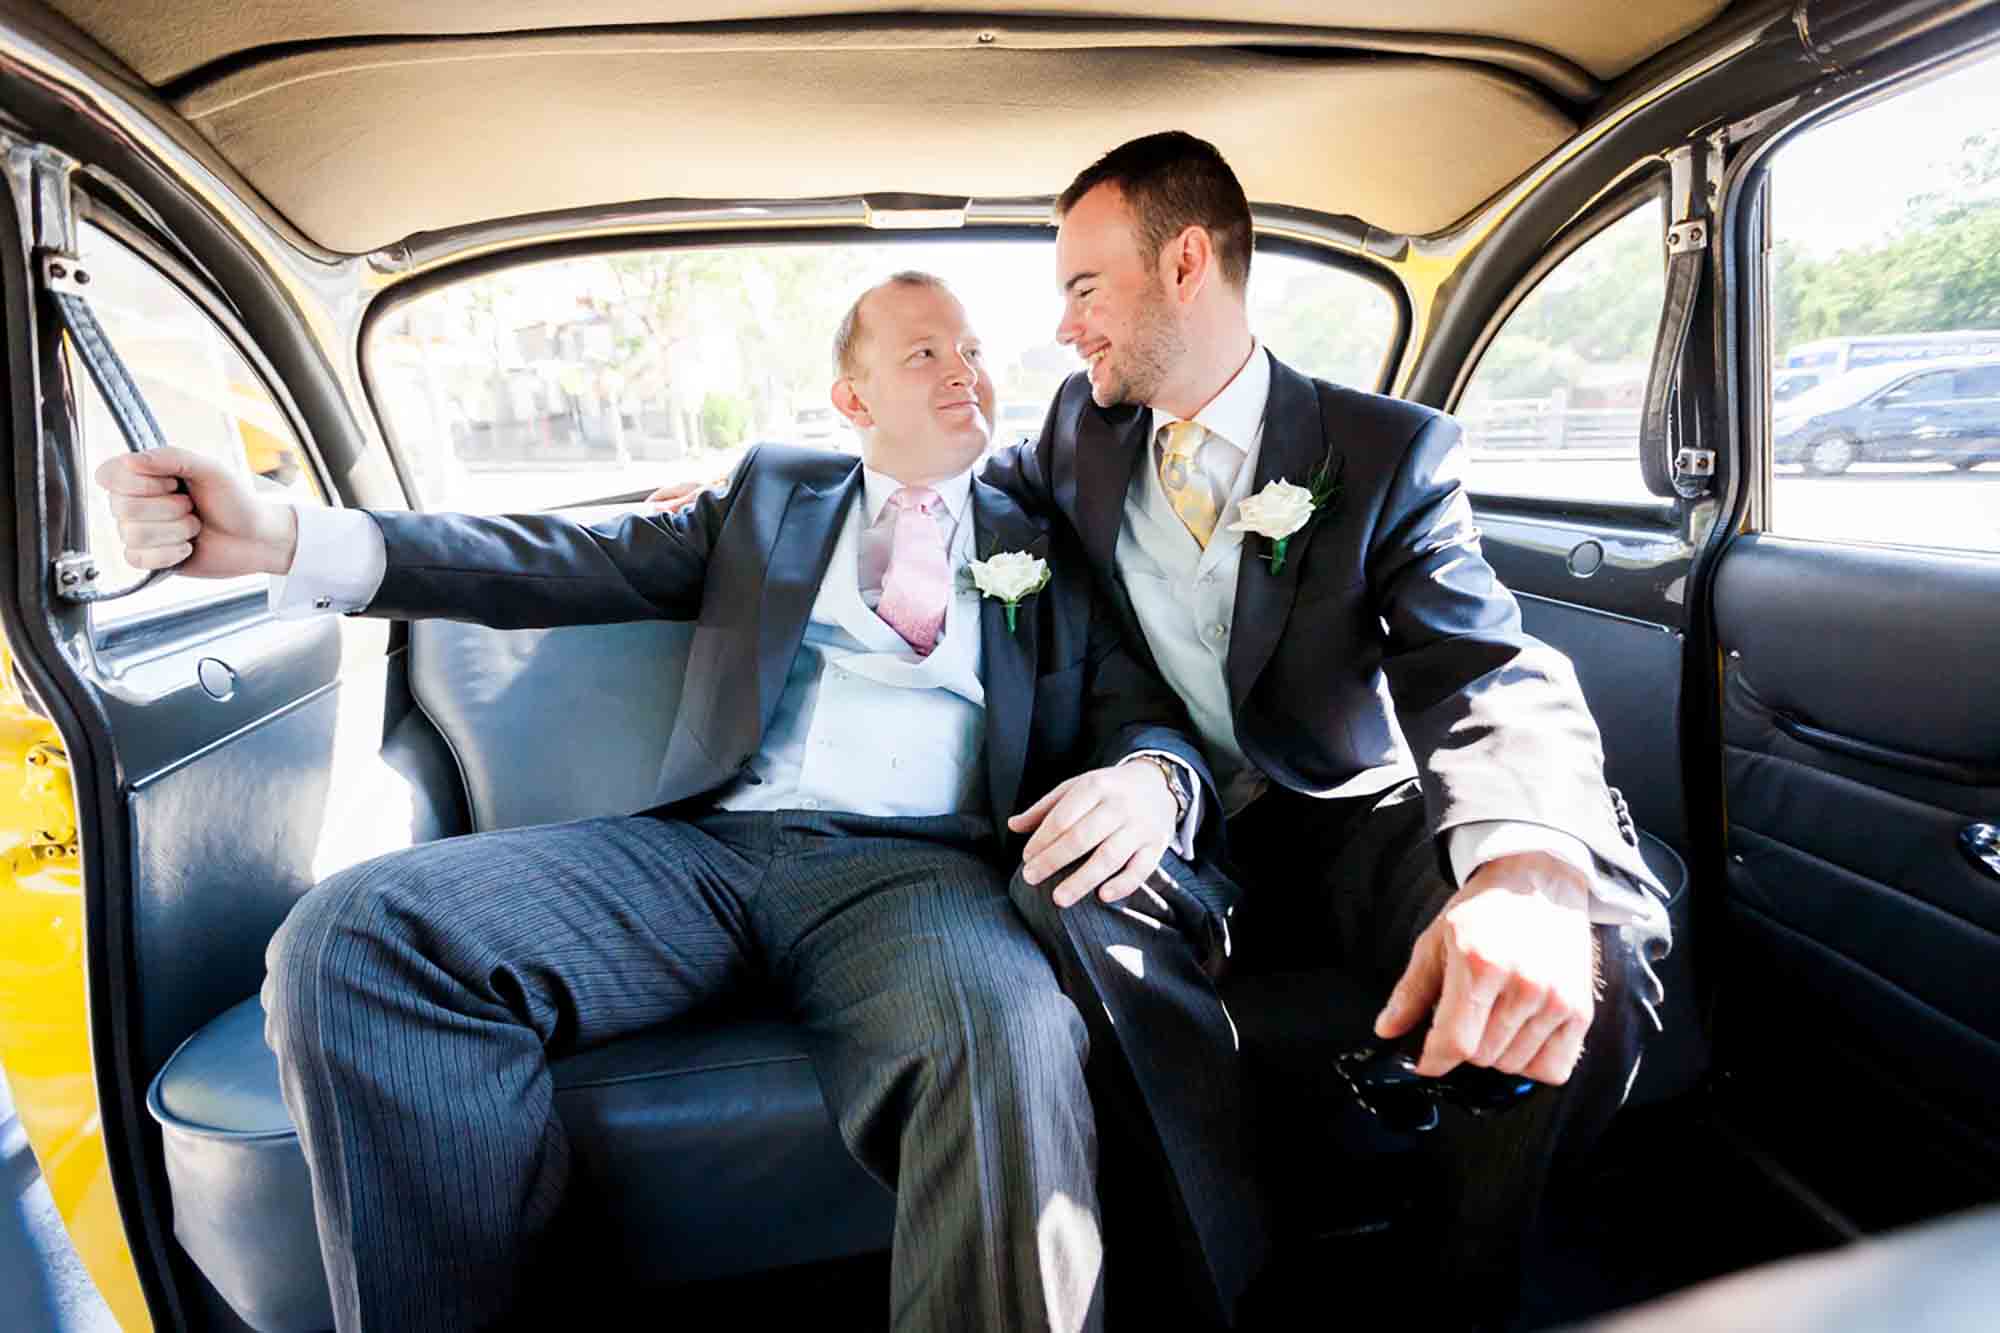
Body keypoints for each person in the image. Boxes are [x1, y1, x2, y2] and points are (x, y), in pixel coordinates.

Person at [96, 272, 1226, 1333]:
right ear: (852, 399)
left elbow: (1141, 711)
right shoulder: (772, 494)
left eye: (973, 349)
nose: (963, 369)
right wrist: (284, 536)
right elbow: (557, 557)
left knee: (1011, 1031)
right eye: (924, 351)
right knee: (357, 935)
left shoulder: (1047, 533)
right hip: (704, 857)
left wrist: (1151, 780)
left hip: (918, 876)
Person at [979, 131, 1675, 1328]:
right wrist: (765, 500)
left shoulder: (1386, 450)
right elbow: (968, 485)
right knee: (1065, 881)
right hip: (1186, 812)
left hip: (1356, 812)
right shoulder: (1079, 430)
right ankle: (1232, 1289)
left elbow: (1481, 664)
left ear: (1184, 264)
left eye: (1084, 288)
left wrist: (1522, 867)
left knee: (1588, 943)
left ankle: (1457, 1290)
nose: (1064, 325)